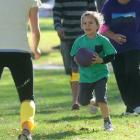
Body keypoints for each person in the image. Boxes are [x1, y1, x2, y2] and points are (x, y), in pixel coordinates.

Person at [0, 0, 41, 139]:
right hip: (20, 52)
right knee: (27, 96)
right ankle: (26, 131)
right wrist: (35, 49)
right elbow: (35, 31)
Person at [70, 11, 116, 131]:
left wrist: (101, 60)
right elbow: (73, 55)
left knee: (101, 98)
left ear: (97, 25)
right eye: (84, 23)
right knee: (82, 101)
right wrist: (76, 59)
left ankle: (107, 122)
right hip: (85, 77)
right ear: (81, 26)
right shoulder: (79, 41)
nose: (87, 25)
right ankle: (94, 101)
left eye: (90, 23)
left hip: (100, 75)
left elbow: (112, 55)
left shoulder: (103, 40)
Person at [53, 0, 96, 110]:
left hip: (83, 38)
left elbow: (94, 14)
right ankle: (79, 98)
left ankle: (77, 100)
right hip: (66, 38)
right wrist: (58, 27)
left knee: (79, 69)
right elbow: (56, 13)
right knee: (71, 70)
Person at [100, 0, 140, 115]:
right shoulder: (109, 5)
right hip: (114, 48)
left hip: (135, 46)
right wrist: (113, 36)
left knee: (132, 71)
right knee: (121, 76)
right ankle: (130, 107)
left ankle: (137, 104)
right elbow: (102, 26)